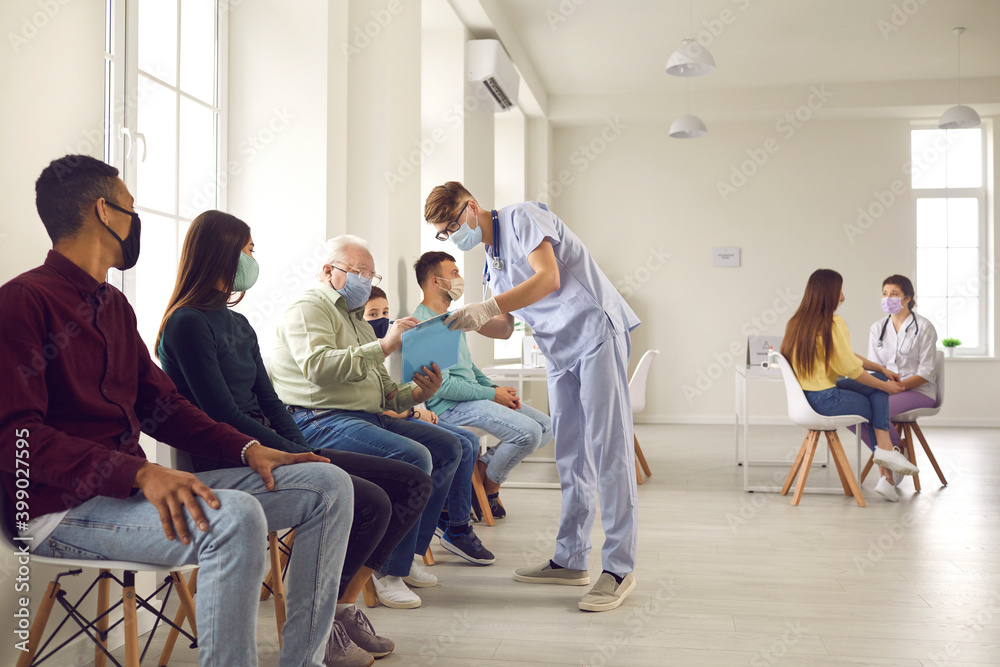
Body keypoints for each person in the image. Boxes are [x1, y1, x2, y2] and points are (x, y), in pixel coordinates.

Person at [0, 155, 354, 667]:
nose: (135, 220)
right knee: (235, 519)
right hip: (56, 510)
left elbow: (163, 406)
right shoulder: (22, 302)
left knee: (329, 486)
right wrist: (139, 472)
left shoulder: (113, 306)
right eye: (130, 208)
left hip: (125, 495)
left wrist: (249, 448)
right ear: (104, 211)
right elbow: (18, 441)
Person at [157, 211, 434, 663]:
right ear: (221, 253)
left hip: (273, 449)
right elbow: (222, 413)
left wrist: (301, 450)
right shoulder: (186, 323)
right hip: (226, 459)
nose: (253, 260)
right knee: (369, 499)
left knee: (411, 483)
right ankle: (315, 632)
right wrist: (293, 454)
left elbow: (269, 403)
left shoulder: (239, 324)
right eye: (248, 250)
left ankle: (338, 610)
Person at [424, 182, 640, 612]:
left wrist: (485, 308)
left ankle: (619, 568)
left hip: (595, 334)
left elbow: (549, 277)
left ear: (472, 206)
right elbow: (505, 326)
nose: (452, 235)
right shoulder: (492, 263)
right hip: (559, 352)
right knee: (571, 455)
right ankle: (571, 558)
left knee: (608, 449)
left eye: (452, 224)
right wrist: (455, 320)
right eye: (444, 232)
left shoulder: (522, 217)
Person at [270, 235, 493, 611]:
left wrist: (419, 392)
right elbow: (319, 368)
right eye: (358, 271)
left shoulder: (355, 319)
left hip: (364, 417)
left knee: (449, 446)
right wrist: (386, 345)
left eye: (371, 274)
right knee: (416, 456)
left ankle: (407, 555)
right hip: (318, 419)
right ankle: (387, 569)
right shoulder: (309, 307)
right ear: (327, 271)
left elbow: (385, 393)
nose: (366, 280)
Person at [411, 251, 553, 519]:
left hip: (473, 399)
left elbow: (469, 367)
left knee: (546, 426)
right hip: (449, 408)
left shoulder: (450, 319)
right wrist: (492, 394)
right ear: (435, 281)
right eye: (454, 273)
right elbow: (443, 387)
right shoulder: (425, 325)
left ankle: (482, 468)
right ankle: (490, 488)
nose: (460, 279)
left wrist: (496, 390)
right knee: (529, 433)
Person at [362, 287, 496, 540]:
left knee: (468, 441)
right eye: (373, 314)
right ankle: (445, 521)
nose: (382, 319)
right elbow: (373, 404)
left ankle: (451, 519)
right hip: (389, 420)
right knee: (456, 446)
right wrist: (414, 413)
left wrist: (419, 404)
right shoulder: (362, 354)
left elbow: (394, 392)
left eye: (386, 312)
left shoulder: (391, 346)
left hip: (408, 412)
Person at [780, 269, 920, 502]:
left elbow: (845, 355)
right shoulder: (832, 323)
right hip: (825, 401)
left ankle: (886, 464)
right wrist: (885, 387)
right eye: (840, 290)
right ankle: (886, 462)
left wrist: (881, 369)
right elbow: (851, 369)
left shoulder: (797, 322)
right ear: (829, 293)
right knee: (876, 395)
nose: (843, 296)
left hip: (807, 398)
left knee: (879, 382)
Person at [854, 274, 939, 493]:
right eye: (884, 294)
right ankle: (896, 452)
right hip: (886, 389)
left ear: (907, 298)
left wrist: (896, 388)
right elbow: (874, 367)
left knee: (876, 410)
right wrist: (883, 387)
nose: (887, 298)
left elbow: (927, 372)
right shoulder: (877, 328)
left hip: (919, 391)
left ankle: (888, 476)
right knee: (854, 411)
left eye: (894, 294)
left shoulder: (924, 327)